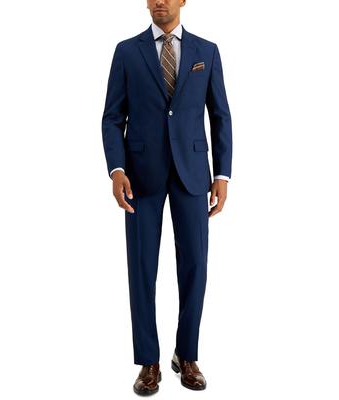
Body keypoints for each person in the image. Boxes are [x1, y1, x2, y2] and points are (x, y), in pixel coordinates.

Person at [101, 0, 232, 395]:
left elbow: (220, 116)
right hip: (140, 176)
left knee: (195, 265)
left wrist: (222, 174)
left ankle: (186, 354)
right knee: (141, 268)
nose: (159, 0)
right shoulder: (127, 52)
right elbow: (112, 117)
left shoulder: (207, 52)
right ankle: (149, 361)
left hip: (193, 174)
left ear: (183, 1)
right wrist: (116, 169)